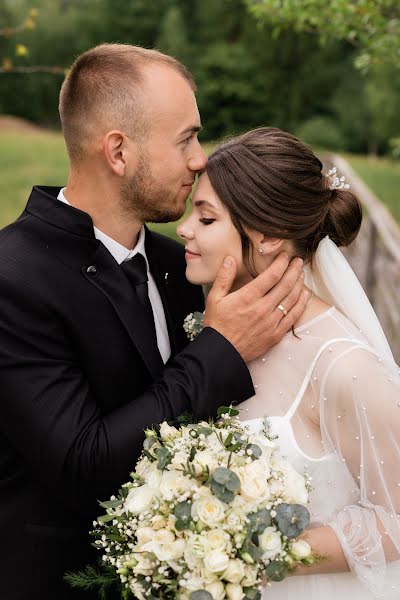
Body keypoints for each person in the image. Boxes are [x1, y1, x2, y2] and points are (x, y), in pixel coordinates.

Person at [0, 47, 308, 600]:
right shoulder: (13, 278)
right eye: (186, 138)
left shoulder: (179, 265)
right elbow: (83, 462)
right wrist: (220, 347)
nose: (200, 160)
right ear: (118, 151)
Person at [178, 127, 400, 599]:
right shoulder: (214, 329)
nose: (184, 229)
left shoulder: (343, 363)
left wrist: (260, 553)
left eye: (206, 218)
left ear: (269, 238)